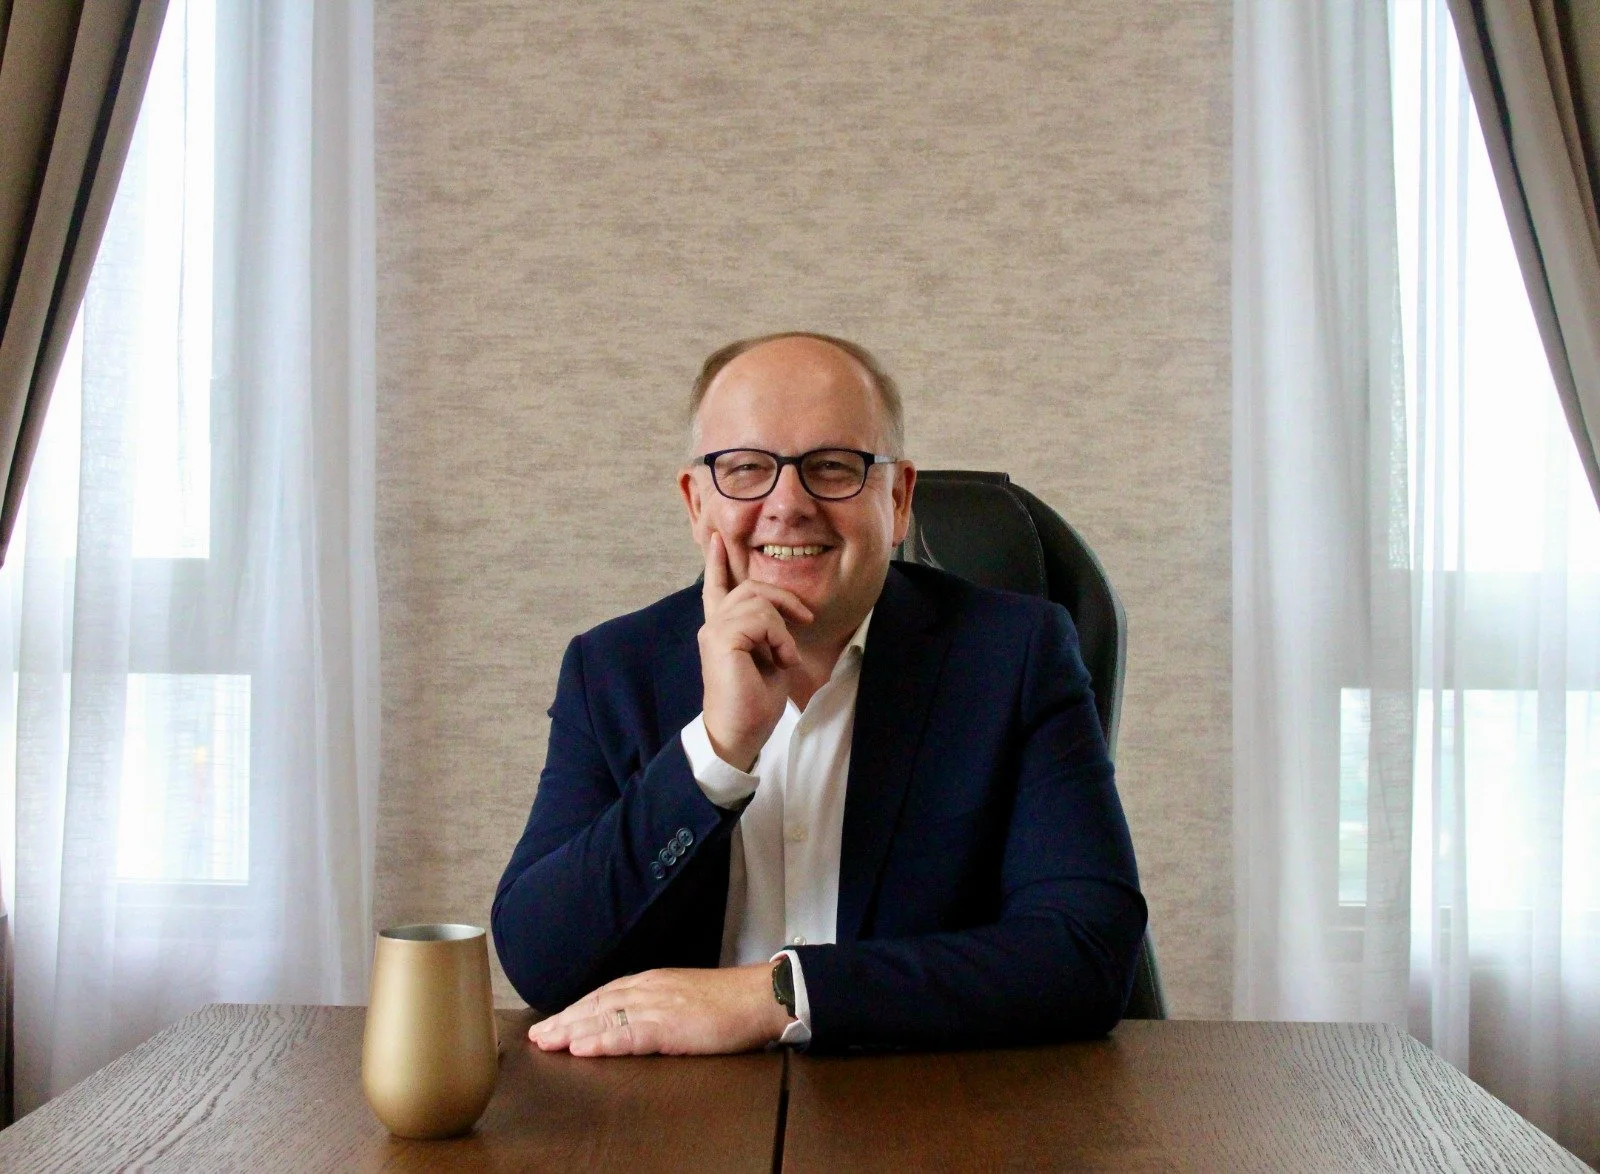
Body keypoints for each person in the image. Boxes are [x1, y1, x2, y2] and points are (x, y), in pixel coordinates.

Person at [492, 332, 1145, 1055]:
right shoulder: (612, 669)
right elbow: (540, 960)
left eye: (832, 468)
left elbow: (1085, 952)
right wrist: (714, 753)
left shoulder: (1015, 656)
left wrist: (778, 993)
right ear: (696, 503)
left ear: (898, 501)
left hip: (927, 1106)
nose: (788, 504)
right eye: (745, 469)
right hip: (672, 1118)